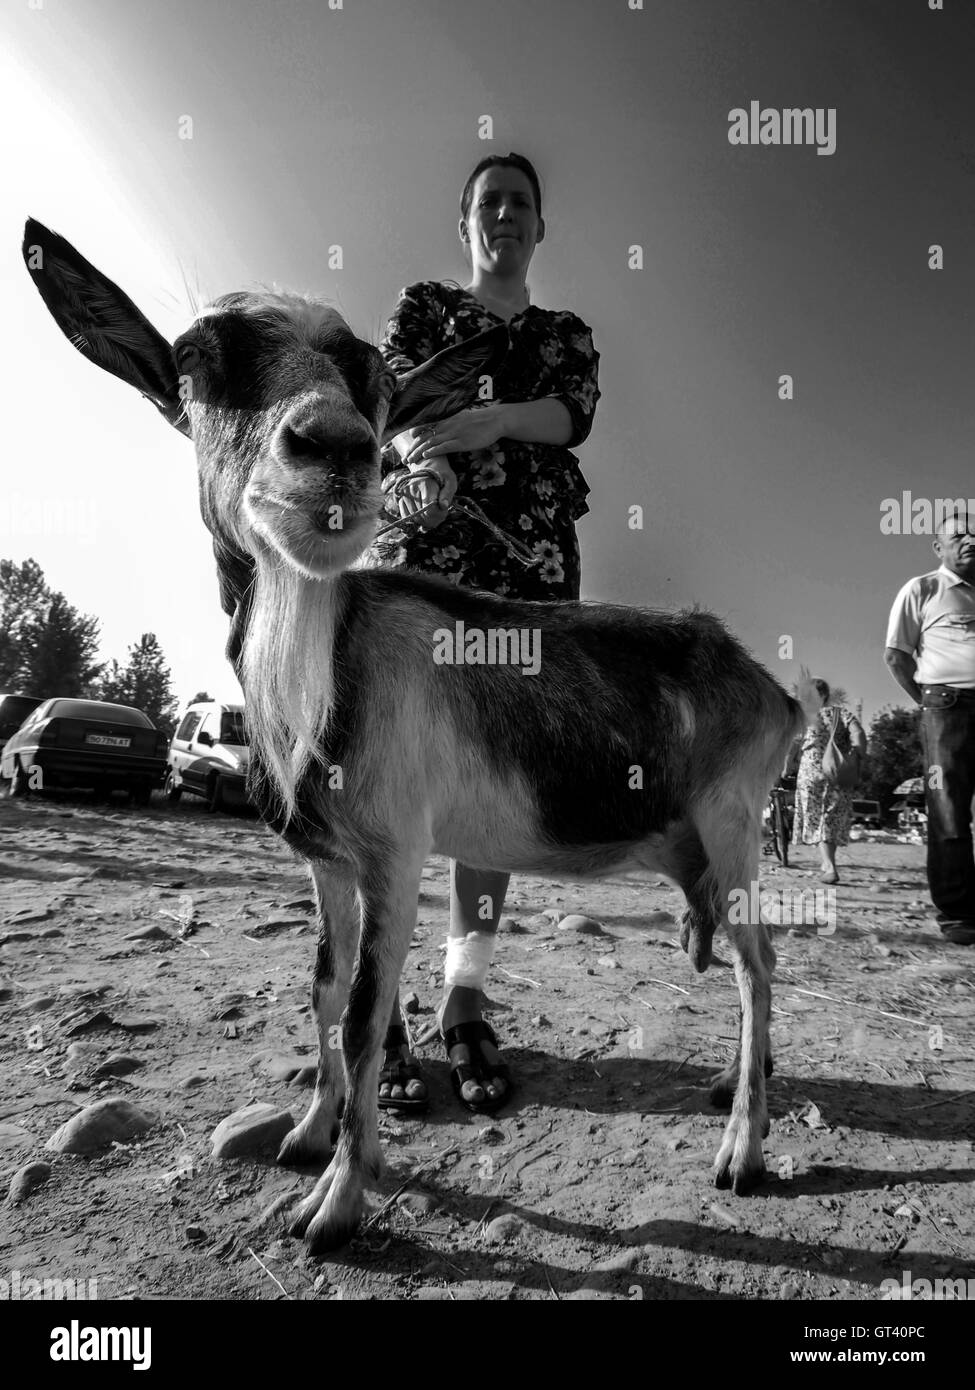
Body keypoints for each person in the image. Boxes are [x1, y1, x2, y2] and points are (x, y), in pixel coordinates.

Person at [366, 153, 600, 1111]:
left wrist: (487, 421)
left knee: (493, 782)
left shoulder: (565, 332)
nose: (504, 214)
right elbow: (388, 400)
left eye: (521, 203)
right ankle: (376, 1004)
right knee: (392, 763)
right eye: (489, 202)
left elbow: (571, 417)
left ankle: (463, 997)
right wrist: (430, 442)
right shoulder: (424, 307)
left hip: (531, 570)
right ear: (463, 222)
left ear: (539, 228)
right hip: (424, 554)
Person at [885, 508, 975, 945]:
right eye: (958, 534)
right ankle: (958, 912)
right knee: (950, 810)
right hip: (947, 707)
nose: (970, 538)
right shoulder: (923, 589)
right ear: (938, 547)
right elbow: (896, 656)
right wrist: (929, 703)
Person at [789, 679, 866, 883]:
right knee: (829, 819)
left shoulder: (805, 718)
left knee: (818, 819)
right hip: (838, 772)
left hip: (811, 773)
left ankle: (829, 866)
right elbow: (858, 733)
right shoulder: (842, 714)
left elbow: (792, 745)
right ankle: (827, 862)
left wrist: (785, 769)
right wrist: (857, 756)